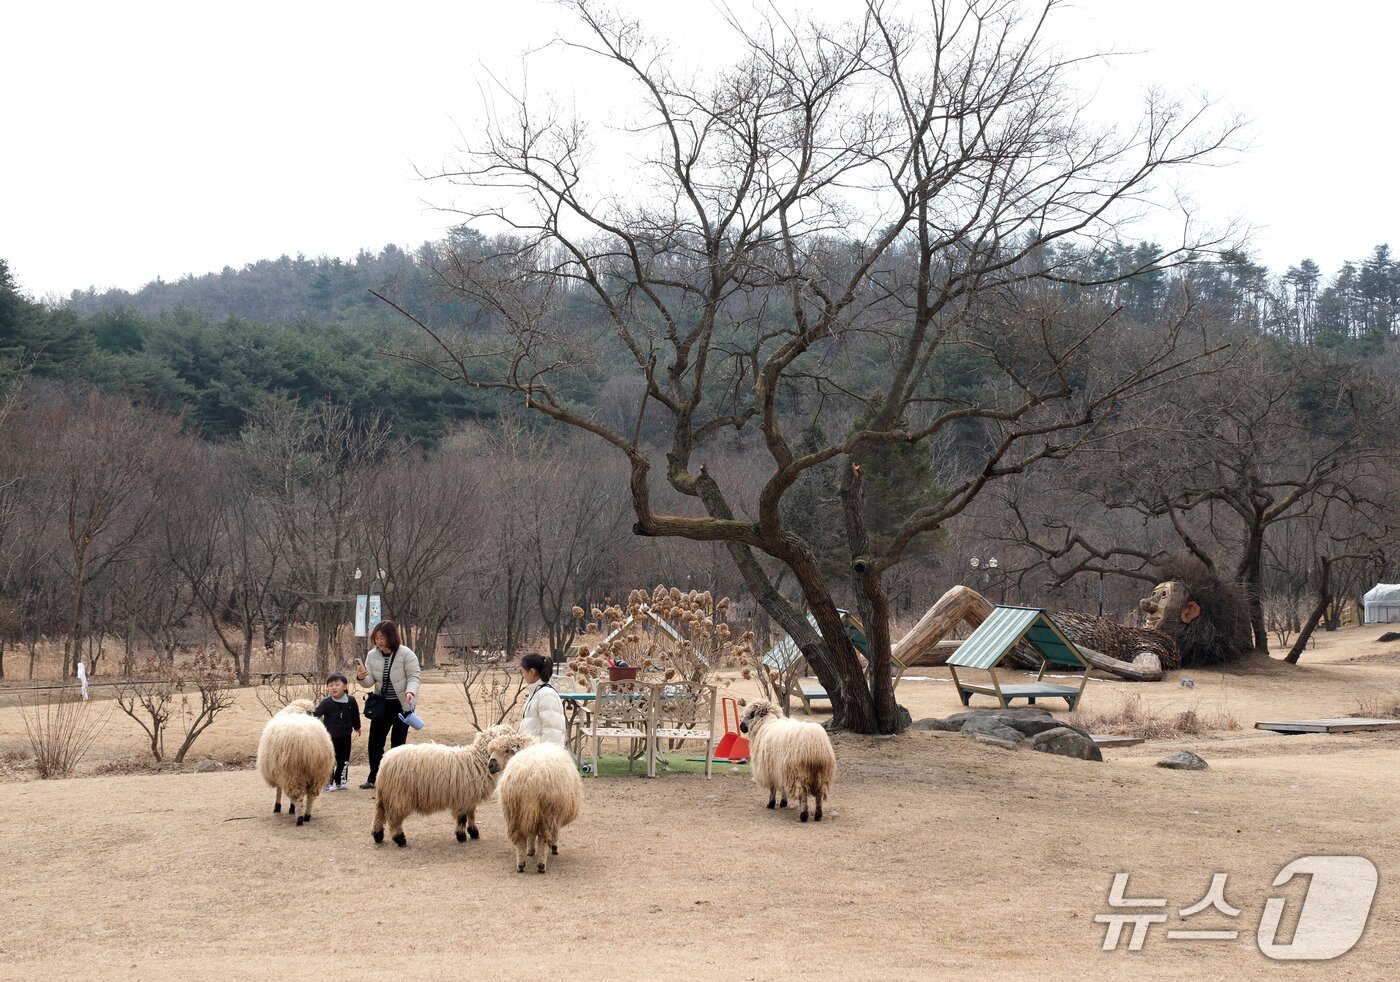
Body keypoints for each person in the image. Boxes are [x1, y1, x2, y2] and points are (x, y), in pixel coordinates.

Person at [355, 619, 421, 789]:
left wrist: (410, 692)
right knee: (375, 742)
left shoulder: (406, 654)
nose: (379, 641)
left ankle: (397, 778)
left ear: (391, 637)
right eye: (376, 638)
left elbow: (414, 676)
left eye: (382, 637)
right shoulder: (372, 655)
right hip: (381, 705)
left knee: (398, 743)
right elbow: (369, 682)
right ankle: (374, 777)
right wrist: (362, 677)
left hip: (402, 704)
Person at [313, 672, 361, 791]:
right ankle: (328, 783)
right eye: (330, 685)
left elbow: (355, 714)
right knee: (331, 759)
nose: (333, 687)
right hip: (330, 736)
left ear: (345, 687)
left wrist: (357, 727)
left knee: (344, 759)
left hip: (346, 735)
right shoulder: (326, 702)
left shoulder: (351, 700)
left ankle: (341, 782)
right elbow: (316, 714)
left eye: (337, 685)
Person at [518, 652, 566, 747]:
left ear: (532, 671)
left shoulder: (547, 694)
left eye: (523, 671)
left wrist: (547, 757)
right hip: (531, 752)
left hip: (541, 756)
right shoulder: (536, 692)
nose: (523, 675)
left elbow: (553, 732)